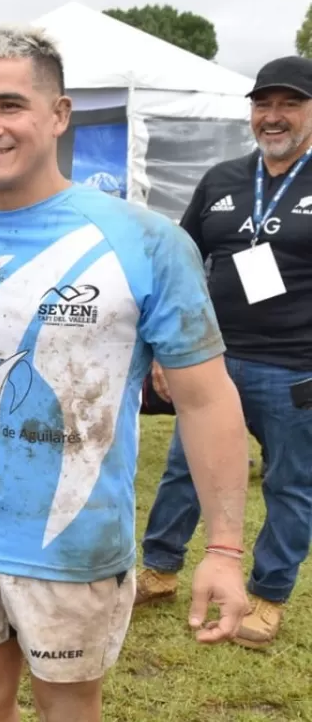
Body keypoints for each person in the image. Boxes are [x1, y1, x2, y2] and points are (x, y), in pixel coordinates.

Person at [0, 25, 250, 721]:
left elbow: (208, 400)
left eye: (10, 105)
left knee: (69, 710)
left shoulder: (148, 240)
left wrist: (222, 548)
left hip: (77, 546)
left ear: (58, 114)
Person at [137, 54, 312, 649]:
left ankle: (269, 595)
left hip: (295, 368)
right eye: (264, 104)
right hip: (213, 362)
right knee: (186, 470)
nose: (274, 116)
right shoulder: (222, 180)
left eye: (290, 103)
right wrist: (165, 346)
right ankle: (159, 570)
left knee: (290, 485)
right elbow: (181, 264)